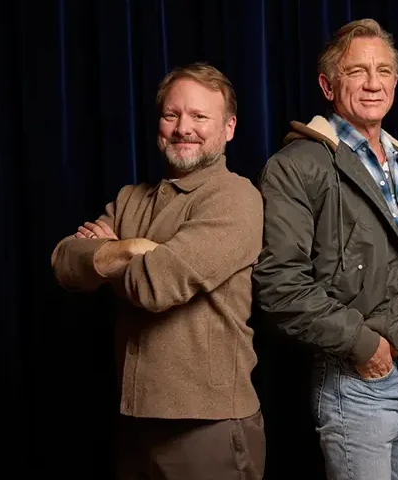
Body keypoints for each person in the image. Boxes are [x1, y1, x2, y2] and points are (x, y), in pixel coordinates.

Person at [252, 19, 398, 480]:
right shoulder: (296, 167)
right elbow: (278, 285)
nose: (373, 83)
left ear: (396, 82)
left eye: (384, 70)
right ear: (327, 85)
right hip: (361, 384)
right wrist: (363, 345)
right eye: (357, 71)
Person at [51, 62, 265, 480]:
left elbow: (157, 284)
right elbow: (63, 263)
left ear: (229, 128)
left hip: (208, 428)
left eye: (201, 116)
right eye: (172, 115)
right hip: (133, 424)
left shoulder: (236, 198)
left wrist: (104, 254)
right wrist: (128, 249)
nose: (184, 127)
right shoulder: (131, 198)